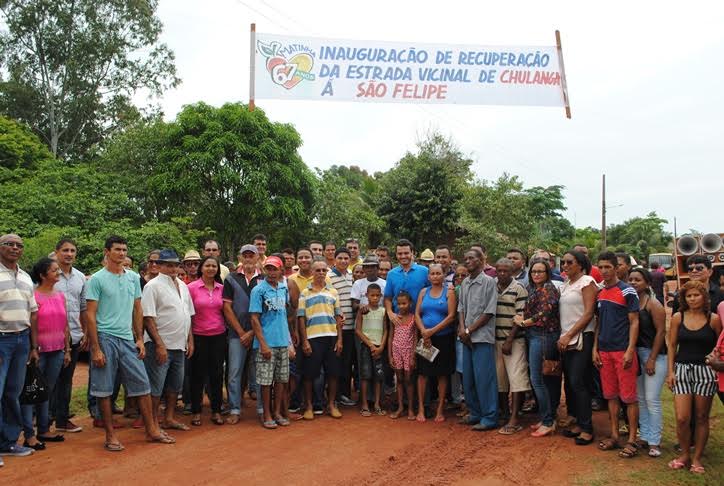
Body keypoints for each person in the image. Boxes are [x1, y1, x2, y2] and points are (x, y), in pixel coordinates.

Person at [86, 235, 174, 452]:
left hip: (127, 338)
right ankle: (110, 435)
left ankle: (152, 430)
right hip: (105, 337)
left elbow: (138, 309)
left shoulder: (133, 278)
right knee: (105, 389)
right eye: (117, 249)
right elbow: (90, 315)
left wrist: (139, 338)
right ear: (107, 252)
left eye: (124, 250)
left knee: (142, 384)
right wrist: (96, 348)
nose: (122, 253)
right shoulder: (96, 279)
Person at [666, 280, 721, 474]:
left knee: (701, 416)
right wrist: (670, 371)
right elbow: (672, 345)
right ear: (684, 298)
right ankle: (684, 454)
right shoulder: (678, 318)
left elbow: (720, 344)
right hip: (682, 369)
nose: (692, 299)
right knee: (682, 417)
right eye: (688, 296)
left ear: (704, 297)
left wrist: (714, 359)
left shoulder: (713, 319)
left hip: (705, 371)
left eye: (696, 295)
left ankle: (697, 458)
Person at [592, 251, 640, 458]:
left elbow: (634, 322)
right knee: (610, 396)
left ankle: (632, 440)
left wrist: (630, 349)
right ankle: (614, 435)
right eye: (601, 267)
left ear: (616, 268)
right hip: (604, 351)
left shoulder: (628, 291)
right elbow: (598, 323)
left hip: (622, 351)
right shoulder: (600, 293)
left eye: (608, 267)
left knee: (629, 397)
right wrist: (595, 349)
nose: (604, 271)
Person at [141, 250, 194, 432]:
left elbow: (188, 315)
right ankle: (153, 422)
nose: (172, 268)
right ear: (160, 266)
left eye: (175, 265)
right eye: (168, 265)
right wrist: (159, 344)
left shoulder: (183, 285)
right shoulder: (152, 286)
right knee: (156, 387)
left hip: (180, 344)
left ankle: (169, 418)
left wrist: (190, 340)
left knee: (174, 386)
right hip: (160, 345)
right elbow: (148, 317)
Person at [21, 258, 70, 450]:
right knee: (30, 392)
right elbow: (30, 323)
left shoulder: (60, 296)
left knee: (46, 391)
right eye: (54, 270)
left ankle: (44, 429)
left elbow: (65, 325)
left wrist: (67, 349)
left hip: (57, 350)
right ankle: (29, 434)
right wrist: (33, 348)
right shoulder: (33, 295)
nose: (58, 273)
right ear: (42, 275)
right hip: (38, 351)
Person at [0, 234, 40, 461]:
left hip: (22, 340)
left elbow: (33, 313)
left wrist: (34, 346)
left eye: (19, 245)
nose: (15, 248)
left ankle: (8, 442)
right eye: (9, 244)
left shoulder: (25, 277)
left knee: (12, 393)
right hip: (1, 339)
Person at [513, 258, 561, 438]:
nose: (536, 274)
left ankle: (548, 421)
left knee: (538, 379)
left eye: (540, 271)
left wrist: (524, 322)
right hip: (535, 335)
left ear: (547, 273)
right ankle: (546, 417)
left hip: (543, 336)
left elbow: (545, 312)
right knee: (542, 380)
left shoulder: (548, 289)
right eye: (534, 272)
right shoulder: (534, 289)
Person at [557, 250, 597, 445]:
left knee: (578, 381)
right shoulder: (566, 284)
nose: (565, 265)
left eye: (569, 262)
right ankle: (578, 423)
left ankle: (588, 428)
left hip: (582, 337)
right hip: (566, 338)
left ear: (580, 264)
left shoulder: (587, 282)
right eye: (563, 262)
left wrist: (570, 334)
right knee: (570, 383)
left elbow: (589, 313)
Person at [250, 256, 293, 429]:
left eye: (275, 269)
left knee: (282, 380)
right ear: (264, 270)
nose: (272, 272)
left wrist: (289, 342)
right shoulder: (258, 290)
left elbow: (284, 316)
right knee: (266, 381)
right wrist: (263, 344)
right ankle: (266, 413)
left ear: (281, 270)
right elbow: (254, 318)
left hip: (282, 341)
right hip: (266, 343)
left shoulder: (283, 288)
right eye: (269, 268)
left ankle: (277, 412)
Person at [628, 267, 667, 457]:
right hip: (636, 354)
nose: (634, 283)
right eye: (631, 279)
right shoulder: (632, 302)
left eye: (638, 280)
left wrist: (652, 358)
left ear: (647, 283)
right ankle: (644, 435)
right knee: (640, 398)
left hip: (655, 355)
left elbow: (661, 332)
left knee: (652, 399)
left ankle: (655, 441)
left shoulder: (653, 304)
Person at [297, 259, 344, 420]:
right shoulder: (305, 293)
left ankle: (331, 405)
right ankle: (309, 406)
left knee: (333, 373)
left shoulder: (333, 292)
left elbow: (338, 317)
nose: (321, 273)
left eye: (324, 270)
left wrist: (340, 340)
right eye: (318, 270)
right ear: (312, 272)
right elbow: (301, 318)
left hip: (331, 337)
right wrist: (304, 341)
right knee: (310, 374)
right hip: (312, 338)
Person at [458, 249, 498, 431]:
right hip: (466, 338)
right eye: (465, 259)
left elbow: (489, 312)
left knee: (484, 379)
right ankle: (475, 413)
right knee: (468, 379)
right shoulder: (465, 282)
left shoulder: (489, 283)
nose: (468, 261)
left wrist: (468, 330)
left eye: (472, 258)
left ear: (481, 260)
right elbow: (461, 309)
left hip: (482, 338)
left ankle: (490, 417)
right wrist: (462, 330)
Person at [222, 244, 261, 424]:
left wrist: (252, 332)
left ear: (257, 257)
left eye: (251, 255)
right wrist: (241, 332)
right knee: (234, 372)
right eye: (245, 255)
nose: (248, 259)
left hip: (259, 334)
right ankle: (235, 408)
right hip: (236, 334)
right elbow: (227, 308)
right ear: (240, 258)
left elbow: (267, 309)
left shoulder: (264, 279)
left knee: (260, 372)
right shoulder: (231, 279)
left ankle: (262, 408)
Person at [52, 238, 87, 434]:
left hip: (73, 334)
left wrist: (85, 333)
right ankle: (44, 420)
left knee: (66, 379)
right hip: (50, 336)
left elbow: (84, 308)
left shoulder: (80, 277)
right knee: (48, 379)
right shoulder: (47, 275)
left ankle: (62, 419)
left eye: (73, 250)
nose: (69, 254)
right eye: (65, 250)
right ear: (56, 252)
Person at [415, 264, 457, 423]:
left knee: (442, 373)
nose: (435, 276)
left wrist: (431, 331)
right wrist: (424, 332)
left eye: (438, 273)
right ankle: (421, 408)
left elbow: (451, 316)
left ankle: (440, 409)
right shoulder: (423, 292)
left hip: (443, 338)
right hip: (425, 339)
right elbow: (417, 314)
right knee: (423, 373)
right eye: (432, 273)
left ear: (443, 275)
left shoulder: (449, 292)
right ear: (428, 276)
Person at [187, 256, 226, 426]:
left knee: (217, 374)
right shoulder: (191, 288)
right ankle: (196, 411)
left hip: (218, 336)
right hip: (198, 336)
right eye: (207, 265)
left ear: (217, 269)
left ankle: (216, 411)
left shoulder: (222, 289)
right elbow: (187, 314)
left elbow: (226, 311)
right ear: (201, 268)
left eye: (214, 266)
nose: (211, 269)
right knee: (198, 375)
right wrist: (190, 340)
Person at [493, 258, 530, 435]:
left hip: (514, 341)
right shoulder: (492, 286)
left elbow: (520, 316)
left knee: (516, 379)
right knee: (500, 380)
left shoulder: (519, 288)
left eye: (505, 271)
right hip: (495, 340)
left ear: (512, 271)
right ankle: (504, 413)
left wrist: (509, 340)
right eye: (499, 271)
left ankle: (515, 418)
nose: (502, 274)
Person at [328, 248, 356, 407]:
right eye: (340, 258)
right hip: (336, 328)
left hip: (352, 327)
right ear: (334, 260)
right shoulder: (329, 277)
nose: (344, 261)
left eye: (346, 258)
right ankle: (335, 395)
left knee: (347, 362)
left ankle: (344, 394)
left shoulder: (353, 276)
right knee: (336, 362)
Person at [355, 283, 387, 417]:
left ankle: (377, 404)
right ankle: (364, 404)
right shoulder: (363, 310)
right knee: (365, 375)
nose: (374, 298)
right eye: (372, 295)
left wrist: (382, 347)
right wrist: (371, 345)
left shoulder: (383, 311)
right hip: (366, 347)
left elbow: (386, 330)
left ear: (380, 296)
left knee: (378, 377)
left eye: (377, 295)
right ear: (366, 296)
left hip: (379, 347)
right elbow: (357, 330)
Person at [384, 239, 429, 324]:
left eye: (406, 253)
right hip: (399, 321)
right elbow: (388, 297)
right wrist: (390, 313)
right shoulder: (391, 274)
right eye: (400, 254)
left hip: (421, 321)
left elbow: (433, 291)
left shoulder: (425, 271)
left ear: (412, 253)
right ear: (396, 255)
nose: (403, 256)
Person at [388, 291, 417, 420]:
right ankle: (400, 407)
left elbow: (416, 338)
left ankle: (410, 408)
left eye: (404, 303)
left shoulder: (414, 318)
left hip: (409, 351)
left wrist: (413, 356)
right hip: (396, 351)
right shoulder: (395, 318)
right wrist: (390, 355)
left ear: (410, 303)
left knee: (409, 380)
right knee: (399, 379)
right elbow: (390, 337)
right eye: (399, 304)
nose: (401, 306)